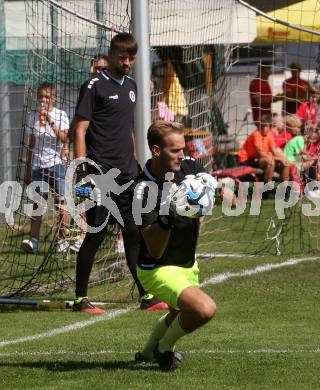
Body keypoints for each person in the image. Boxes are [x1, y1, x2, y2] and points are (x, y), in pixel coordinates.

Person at [71, 33, 168, 313]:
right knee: (97, 233)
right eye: (123, 57)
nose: (127, 62)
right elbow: (79, 130)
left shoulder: (133, 87)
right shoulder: (93, 85)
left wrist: (136, 160)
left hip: (128, 173)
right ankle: (80, 299)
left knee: (133, 233)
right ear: (111, 55)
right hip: (100, 173)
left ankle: (146, 296)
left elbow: (128, 128)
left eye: (131, 58)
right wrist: (82, 173)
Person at [133, 121, 217, 372]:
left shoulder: (188, 166)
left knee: (176, 314)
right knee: (204, 309)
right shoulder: (141, 191)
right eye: (174, 150)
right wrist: (169, 214)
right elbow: (155, 249)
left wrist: (213, 189)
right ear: (156, 151)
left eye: (183, 148)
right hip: (157, 267)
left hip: (186, 262)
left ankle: (147, 352)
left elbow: (209, 191)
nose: (182, 155)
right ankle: (163, 349)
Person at [21, 82, 71, 254]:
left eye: (47, 96)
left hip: (57, 164)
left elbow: (65, 139)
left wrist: (50, 120)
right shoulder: (32, 116)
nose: (44, 100)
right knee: (37, 204)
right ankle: (34, 241)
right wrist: (28, 168)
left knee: (61, 203)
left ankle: (62, 239)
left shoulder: (60, 115)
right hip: (38, 166)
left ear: (54, 98)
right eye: (41, 96)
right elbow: (31, 144)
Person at [238, 114, 290, 184]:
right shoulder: (256, 134)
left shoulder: (269, 134)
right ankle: (267, 190)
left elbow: (274, 150)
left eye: (266, 126)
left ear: (269, 126)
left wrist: (283, 158)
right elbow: (260, 153)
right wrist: (278, 158)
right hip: (247, 160)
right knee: (270, 162)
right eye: (262, 126)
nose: (264, 128)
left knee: (286, 163)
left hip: (260, 158)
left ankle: (284, 190)